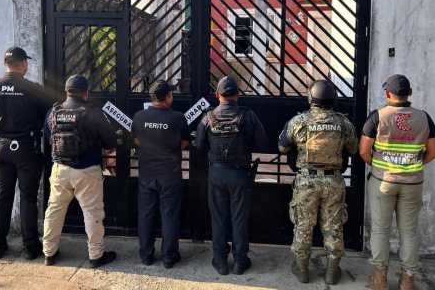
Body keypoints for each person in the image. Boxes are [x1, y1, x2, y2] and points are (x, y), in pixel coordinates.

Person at [359, 74, 435, 290]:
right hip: (413, 183)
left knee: (380, 230)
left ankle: (379, 279)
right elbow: (434, 151)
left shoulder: (377, 116)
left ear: (387, 94)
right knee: (409, 231)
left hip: (383, 182)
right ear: (409, 93)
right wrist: (413, 164)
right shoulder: (424, 118)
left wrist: (380, 166)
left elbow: (364, 151)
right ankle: (408, 280)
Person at [278, 80, 358, 285]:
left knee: (303, 225)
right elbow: (353, 148)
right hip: (334, 181)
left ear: (310, 98)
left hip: (306, 182)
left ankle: (302, 270)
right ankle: (332, 271)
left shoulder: (298, 121)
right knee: (333, 226)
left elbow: (282, 147)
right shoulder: (343, 123)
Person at [42, 75, 118, 268]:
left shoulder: (54, 111)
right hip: (87, 171)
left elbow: (49, 137)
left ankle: (49, 253)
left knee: (54, 211)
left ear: (66, 91)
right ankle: (96, 255)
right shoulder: (93, 113)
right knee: (92, 213)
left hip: (60, 169)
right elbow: (110, 141)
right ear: (86, 92)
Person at [195, 76, 267, 276]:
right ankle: (240, 262)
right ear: (237, 95)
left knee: (218, 219)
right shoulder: (248, 115)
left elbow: (199, 145)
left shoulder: (208, 117)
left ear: (218, 95)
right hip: (240, 174)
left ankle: (220, 262)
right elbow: (262, 142)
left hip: (216, 174)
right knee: (239, 218)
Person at [0, 46, 52, 260]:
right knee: (28, 197)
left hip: (0, 149)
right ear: (23, 64)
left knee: (3, 196)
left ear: (5, 63)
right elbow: (48, 117)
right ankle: (30, 247)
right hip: (25, 149)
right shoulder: (32, 89)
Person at [131, 80, 190, 268]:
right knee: (169, 215)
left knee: (145, 215)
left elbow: (137, 141)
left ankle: (146, 256)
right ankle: (169, 257)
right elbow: (184, 143)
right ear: (168, 97)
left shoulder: (139, 117)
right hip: (170, 174)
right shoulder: (178, 118)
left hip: (147, 174)